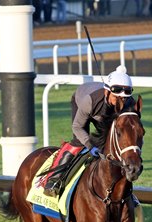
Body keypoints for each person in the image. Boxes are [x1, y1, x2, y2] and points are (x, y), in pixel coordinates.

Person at [43, 65, 135, 197]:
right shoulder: (90, 101)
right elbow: (77, 127)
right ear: (106, 92)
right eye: (117, 98)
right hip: (82, 102)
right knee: (79, 142)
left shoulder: (129, 103)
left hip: (103, 115)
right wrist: (90, 145)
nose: (120, 103)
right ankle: (54, 180)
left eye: (124, 98)